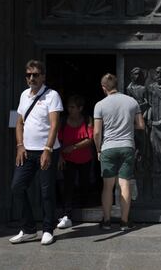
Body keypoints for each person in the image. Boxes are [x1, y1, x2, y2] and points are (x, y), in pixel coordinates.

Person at [9, 60, 63, 245]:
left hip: (46, 151)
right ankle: (29, 229)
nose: (32, 78)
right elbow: (18, 122)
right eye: (29, 74)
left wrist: (47, 150)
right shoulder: (24, 95)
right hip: (27, 151)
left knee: (46, 191)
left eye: (35, 74)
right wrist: (19, 146)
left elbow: (55, 124)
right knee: (17, 187)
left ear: (43, 76)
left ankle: (48, 229)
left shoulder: (52, 95)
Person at [93, 73, 145, 230]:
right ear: (117, 85)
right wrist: (128, 126)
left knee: (108, 186)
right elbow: (141, 125)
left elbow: (96, 132)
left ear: (103, 88)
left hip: (108, 147)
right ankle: (124, 221)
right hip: (127, 146)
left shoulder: (100, 105)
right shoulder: (131, 101)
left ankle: (107, 221)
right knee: (125, 184)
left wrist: (98, 150)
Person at [57, 95, 94, 229]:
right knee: (68, 186)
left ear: (80, 108)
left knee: (84, 183)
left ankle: (84, 207)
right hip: (68, 159)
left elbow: (90, 139)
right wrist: (60, 156)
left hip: (85, 158)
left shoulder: (87, 120)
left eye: (73, 107)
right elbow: (58, 140)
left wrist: (73, 147)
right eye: (69, 107)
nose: (70, 109)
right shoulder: (62, 121)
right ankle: (67, 213)